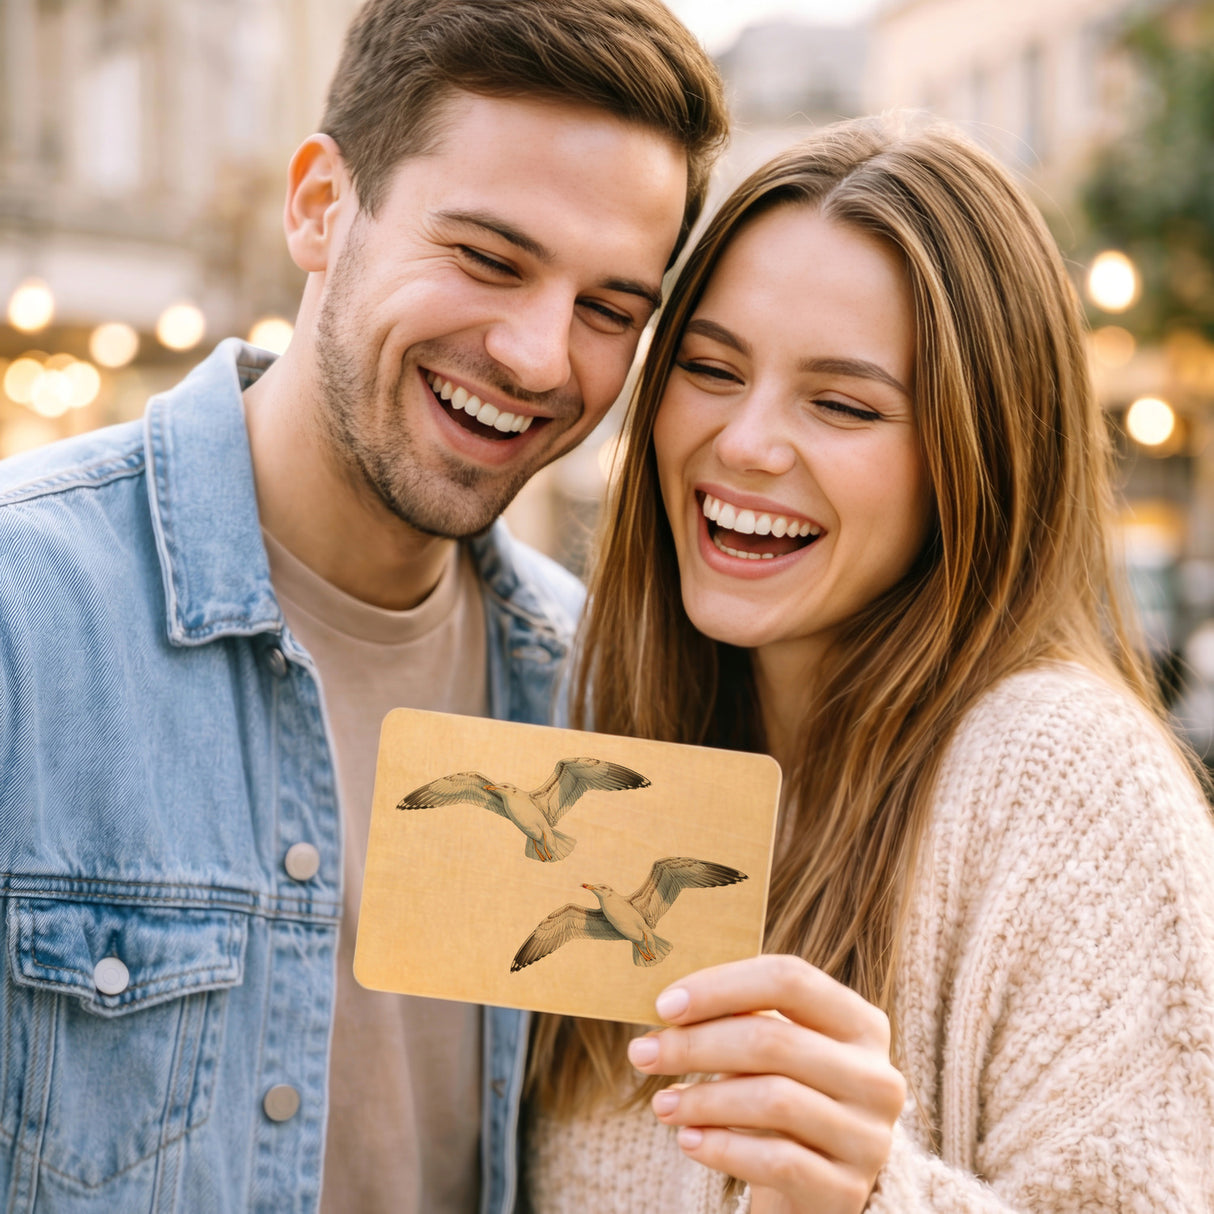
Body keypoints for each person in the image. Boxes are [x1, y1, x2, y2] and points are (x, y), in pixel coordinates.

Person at [0, 2, 727, 1211]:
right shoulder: (26, 611)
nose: (541, 356)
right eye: (488, 258)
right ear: (320, 207)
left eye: (609, 308)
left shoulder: (599, 693)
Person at [523, 115, 1214, 1213]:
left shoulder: (1068, 784)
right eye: (708, 367)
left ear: (972, 455)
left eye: (840, 403)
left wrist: (869, 1194)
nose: (745, 441)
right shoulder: (612, 731)